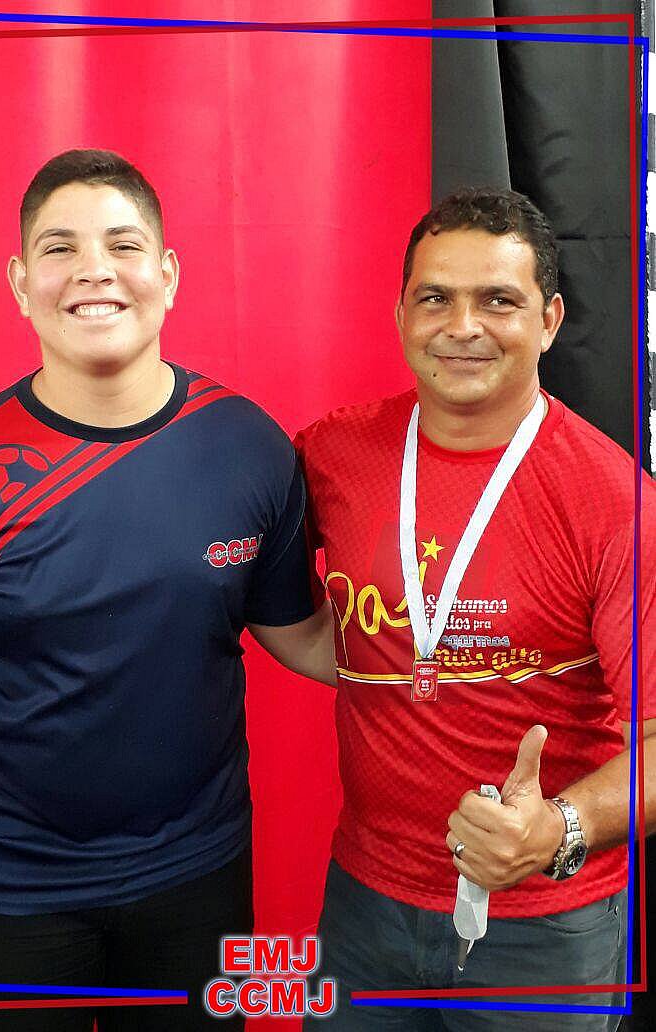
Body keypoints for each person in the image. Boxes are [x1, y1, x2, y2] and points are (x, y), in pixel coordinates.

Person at [0, 149, 335, 1032]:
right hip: (0, 895)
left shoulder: (248, 447)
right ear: (21, 284)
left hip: (196, 882)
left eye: (123, 245)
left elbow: (307, 636)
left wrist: (473, 642)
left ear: (167, 274)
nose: (94, 269)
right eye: (60, 248)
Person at [295, 188, 656, 1031]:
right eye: (435, 298)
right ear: (402, 315)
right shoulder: (335, 453)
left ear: (550, 320)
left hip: (543, 929)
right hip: (365, 907)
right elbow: (237, 579)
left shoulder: (615, 504)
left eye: (498, 300)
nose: (463, 326)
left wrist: (560, 826)